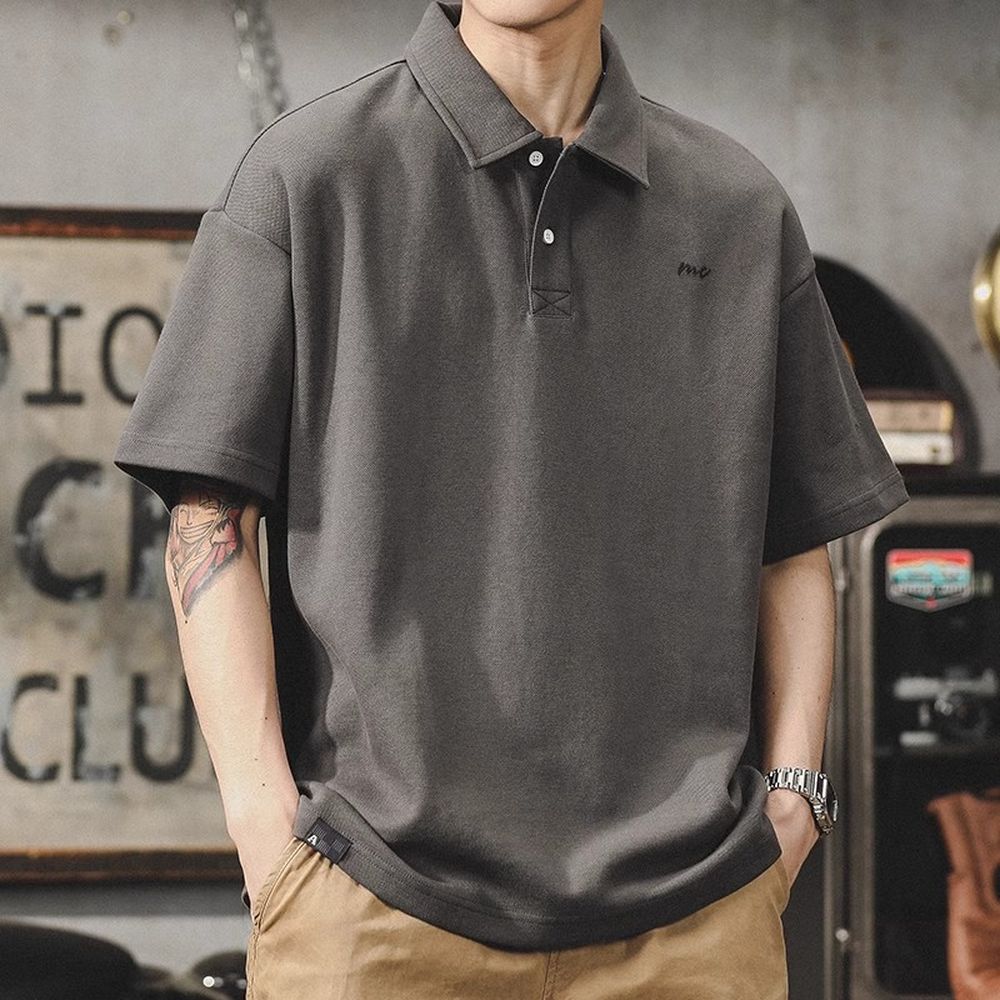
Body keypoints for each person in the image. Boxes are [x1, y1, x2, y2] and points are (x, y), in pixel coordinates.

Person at [113, 1, 910, 997]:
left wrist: (793, 799)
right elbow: (207, 516)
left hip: (694, 923)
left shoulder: (736, 205)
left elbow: (793, 539)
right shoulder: (306, 176)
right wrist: (262, 827)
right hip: (373, 914)